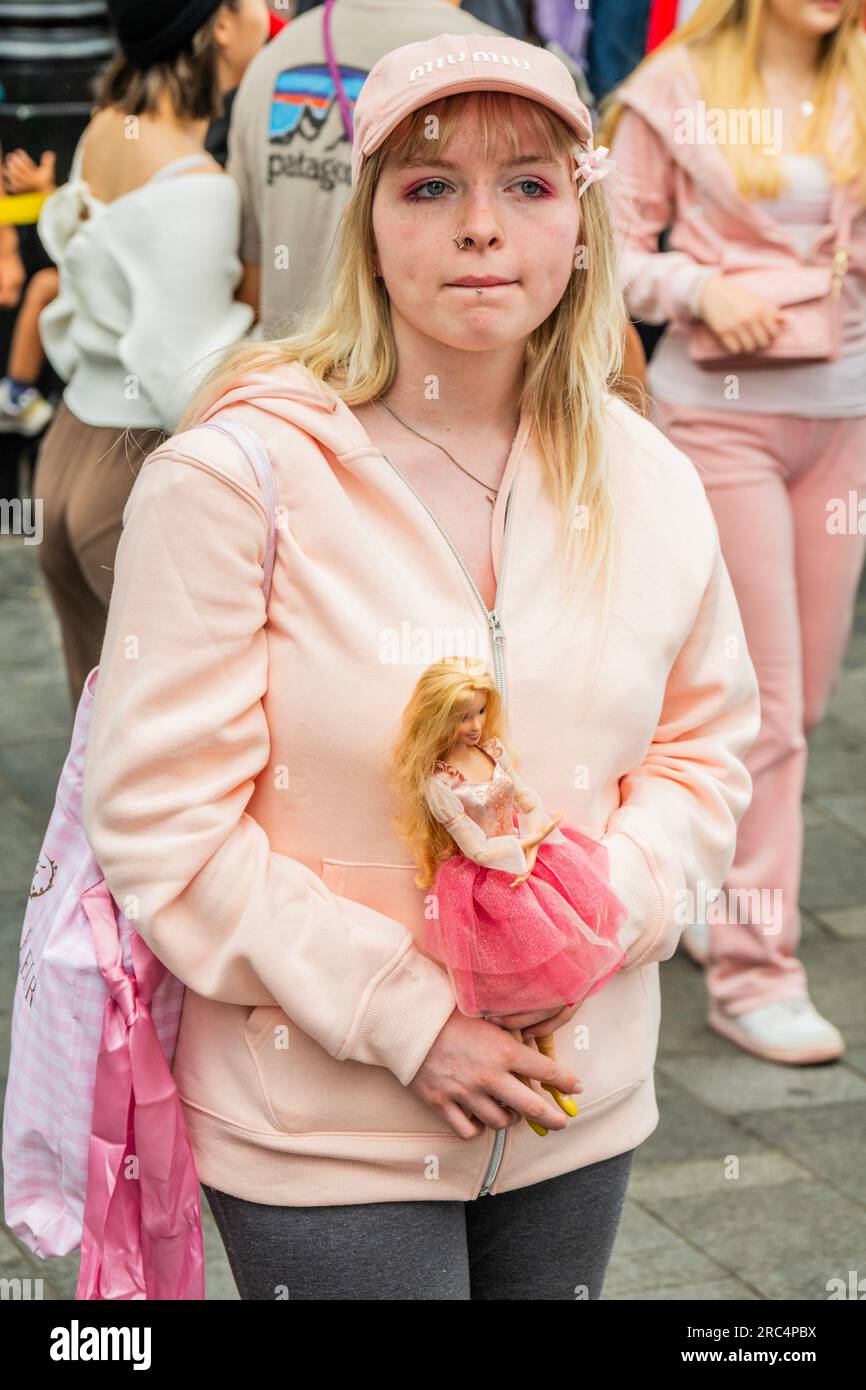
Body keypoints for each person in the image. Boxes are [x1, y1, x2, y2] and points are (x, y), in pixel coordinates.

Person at [81, 33, 760, 1300]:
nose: (480, 229)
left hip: (576, 1097)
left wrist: (601, 919)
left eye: (527, 185)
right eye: (429, 185)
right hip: (323, 1124)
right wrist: (406, 1018)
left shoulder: (647, 477)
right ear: (369, 227)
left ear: (581, 221)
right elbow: (163, 821)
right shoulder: (237, 478)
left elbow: (701, 745)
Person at [601, 0, 866, 1064]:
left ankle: (702, 883)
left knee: (794, 700)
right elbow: (606, 252)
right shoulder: (670, 86)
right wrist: (698, 283)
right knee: (767, 719)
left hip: (841, 418)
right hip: (717, 416)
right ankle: (756, 971)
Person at [32, 0, 256, 710]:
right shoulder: (198, 187)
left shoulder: (102, 128)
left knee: (96, 723)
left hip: (65, 454)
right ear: (218, 23)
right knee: (165, 725)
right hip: (129, 466)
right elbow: (186, 380)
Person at [227, 0, 503, 337]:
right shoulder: (495, 67)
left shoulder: (271, 60)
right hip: (420, 380)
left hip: (289, 374)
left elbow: (251, 279)